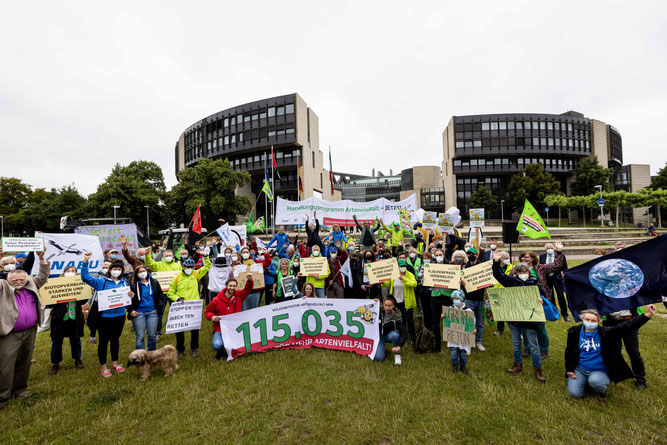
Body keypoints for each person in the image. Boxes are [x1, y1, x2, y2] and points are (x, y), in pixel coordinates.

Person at [565, 305, 657, 399]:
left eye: (593, 321)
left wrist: (648, 315)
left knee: (595, 381)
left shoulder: (606, 333)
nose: (590, 323)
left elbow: (627, 326)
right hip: (581, 369)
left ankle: (601, 390)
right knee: (575, 394)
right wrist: (569, 369)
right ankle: (587, 383)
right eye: (587, 319)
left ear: (598, 322)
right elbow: (569, 351)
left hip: (599, 369)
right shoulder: (574, 333)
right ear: (582, 319)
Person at [0, 252, 49, 409]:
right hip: (10, 333)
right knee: (6, 366)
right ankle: (3, 397)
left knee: (24, 362)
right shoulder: (3, 288)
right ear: (7, 281)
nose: (18, 282)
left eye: (21, 279)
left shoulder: (31, 285)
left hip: (30, 331)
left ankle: (19, 390)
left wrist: (41, 258)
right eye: (14, 280)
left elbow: (43, 274)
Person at [491, 254, 546, 383]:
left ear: (529, 272)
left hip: (530, 320)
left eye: (525, 271)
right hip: (514, 319)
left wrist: (542, 300)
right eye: (520, 272)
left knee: (533, 346)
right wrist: (496, 262)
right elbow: (498, 275)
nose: (523, 273)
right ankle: (517, 365)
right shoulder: (511, 282)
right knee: (516, 344)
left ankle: (538, 369)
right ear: (515, 273)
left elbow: (544, 297)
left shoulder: (536, 284)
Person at [81, 253, 131, 378]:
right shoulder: (101, 282)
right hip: (104, 317)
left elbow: (127, 297)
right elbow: (85, 277)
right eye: (115, 269)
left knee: (115, 340)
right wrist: (85, 262)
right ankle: (103, 367)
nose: (117, 271)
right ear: (110, 270)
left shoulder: (124, 283)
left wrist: (131, 295)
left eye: (119, 269)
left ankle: (115, 364)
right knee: (103, 341)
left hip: (119, 316)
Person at [167, 257, 211, 358]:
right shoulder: (177, 277)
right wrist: (177, 298)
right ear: (183, 267)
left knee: (194, 329)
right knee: (180, 330)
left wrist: (205, 257)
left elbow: (207, 266)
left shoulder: (196, 274)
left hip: (194, 307)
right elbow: (170, 293)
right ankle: (180, 349)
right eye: (187, 267)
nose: (189, 269)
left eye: (191, 267)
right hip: (181, 307)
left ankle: (194, 348)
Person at [48, 266, 86, 375]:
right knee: (56, 342)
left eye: (73, 271)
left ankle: (78, 359)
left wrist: (87, 291)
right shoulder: (55, 284)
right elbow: (49, 303)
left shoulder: (80, 284)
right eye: (68, 271)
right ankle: (55, 363)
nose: (70, 272)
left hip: (74, 318)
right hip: (59, 319)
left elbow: (83, 301)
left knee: (76, 340)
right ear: (63, 273)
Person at [205, 275, 254, 360]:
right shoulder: (216, 299)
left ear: (236, 287)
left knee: (240, 344)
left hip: (235, 328)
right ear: (226, 286)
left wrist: (250, 281)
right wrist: (212, 317)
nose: (232, 288)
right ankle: (220, 350)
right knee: (216, 345)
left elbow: (247, 290)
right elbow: (207, 311)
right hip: (220, 328)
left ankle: (233, 349)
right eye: (230, 286)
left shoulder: (239, 296)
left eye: (234, 286)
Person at [128, 264, 165, 352]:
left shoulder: (154, 282)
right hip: (139, 313)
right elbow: (128, 300)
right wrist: (131, 310)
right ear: (136, 274)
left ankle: (151, 355)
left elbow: (160, 296)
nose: (142, 273)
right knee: (140, 336)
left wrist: (158, 308)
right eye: (140, 272)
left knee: (152, 335)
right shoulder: (133, 286)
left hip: (152, 312)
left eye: (144, 271)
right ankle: (140, 357)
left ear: (147, 272)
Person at [385, 260, 417, 344]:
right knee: (399, 320)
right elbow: (387, 283)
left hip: (407, 302)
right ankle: (402, 337)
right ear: (397, 267)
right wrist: (381, 283)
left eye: (404, 266)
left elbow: (414, 284)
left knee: (409, 321)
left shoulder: (410, 275)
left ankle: (413, 339)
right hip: (396, 302)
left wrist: (404, 279)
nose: (403, 268)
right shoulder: (393, 275)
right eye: (401, 266)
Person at [462, 247, 486, 351]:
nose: (470, 256)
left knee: (480, 322)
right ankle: (469, 343)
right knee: (469, 322)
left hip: (480, 298)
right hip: (469, 298)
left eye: (472, 254)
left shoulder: (482, 267)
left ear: (476, 255)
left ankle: (478, 341)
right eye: (468, 254)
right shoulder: (464, 268)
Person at [540, 243, 570, 321]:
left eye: (551, 248)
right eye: (548, 248)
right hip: (547, 279)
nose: (550, 249)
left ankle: (565, 314)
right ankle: (553, 312)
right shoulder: (542, 256)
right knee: (550, 296)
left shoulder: (560, 256)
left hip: (557, 278)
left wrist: (563, 273)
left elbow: (564, 267)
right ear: (545, 249)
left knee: (560, 296)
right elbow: (541, 267)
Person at [447, 290, 474, 374]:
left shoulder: (468, 310)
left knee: (463, 354)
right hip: (454, 337)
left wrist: (474, 329)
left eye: (456, 298)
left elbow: (472, 322)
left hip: (464, 338)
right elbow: (447, 319)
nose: (455, 300)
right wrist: (444, 316)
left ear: (461, 299)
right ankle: (454, 366)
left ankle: (463, 366)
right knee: (453, 353)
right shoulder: (450, 309)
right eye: (453, 299)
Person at [374, 296, 406, 365]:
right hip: (380, 336)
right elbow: (367, 310)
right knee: (379, 358)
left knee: (395, 335)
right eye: (385, 305)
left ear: (393, 306)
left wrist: (399, 345)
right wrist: (373, 303)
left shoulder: (397, 316)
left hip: (389, 335)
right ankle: (379, 347)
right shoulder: (379, 310)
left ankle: (397, 355)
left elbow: (403, 332)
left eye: (389, 306)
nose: (387, 308)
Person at [492, 251, 512, 336]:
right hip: (497, 292)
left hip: (508, 292)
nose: (507, 260)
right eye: (505, 258)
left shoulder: (512, 268)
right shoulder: (494, 267)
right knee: (499, 312)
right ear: (500, 259)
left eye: (508, 258)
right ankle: (500, 329)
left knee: (511, 312)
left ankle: (514, 330)